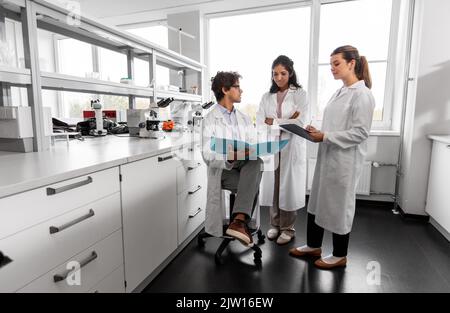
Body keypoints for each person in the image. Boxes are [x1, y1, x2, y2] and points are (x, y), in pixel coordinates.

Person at [289, 45, 375, 269]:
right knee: (316, 200)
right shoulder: (340, 92)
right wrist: (315, 130)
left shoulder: (362, 95)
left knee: (339, 206)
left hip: (345, 161)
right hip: (328, 155)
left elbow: (360, 133)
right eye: (331, 65)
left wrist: (325, 136)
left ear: (352, 63)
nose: (332, 69)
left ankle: (339, 254)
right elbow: (335, 124)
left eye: (336, 63)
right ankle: (313, 245)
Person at [201, 71, 263, 247]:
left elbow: (253, 144)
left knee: (257, 161)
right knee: (252, 184)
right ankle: (240, 222)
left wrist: (252, 149)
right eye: (237, 87)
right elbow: (207, 155)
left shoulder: (243, 118)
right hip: (224, 170)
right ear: (225, 90)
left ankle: (238, 222)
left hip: (245, 165)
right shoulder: (209, 120)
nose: (241, 91)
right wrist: (231, 156)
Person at [257, 55, 308, 245]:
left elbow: (300, 122)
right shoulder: (266, 97)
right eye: (275, 74)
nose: (278, 77)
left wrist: (275, 122)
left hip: (291, 146)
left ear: (291, 73)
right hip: (273, 146)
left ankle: (288, 228)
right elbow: (261, 121)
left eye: (283, 73)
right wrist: (286, 121)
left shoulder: (300, 94)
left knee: (288, 187)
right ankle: (275, 224)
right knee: (274, 186)